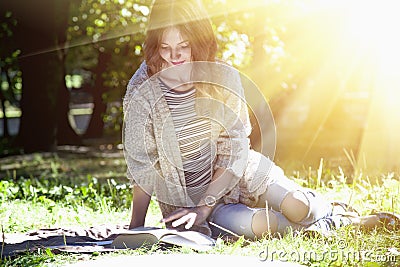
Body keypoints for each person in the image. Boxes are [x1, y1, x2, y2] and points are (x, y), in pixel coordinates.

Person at [123, 0, 398, 240]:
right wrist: (136, 226)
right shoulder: (141, 89)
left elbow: (236, 148)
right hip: (190, 205)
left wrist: (206, 202)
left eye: (183, 46)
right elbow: (142, 165)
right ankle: (336, 226)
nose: (174, 56)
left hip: (242, 174)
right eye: (165, 46)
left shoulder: (224, 77)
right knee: (262, 225)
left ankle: (334, 215)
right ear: (154, 44)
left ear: (199, 42)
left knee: (298, 206)